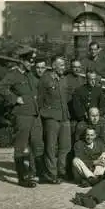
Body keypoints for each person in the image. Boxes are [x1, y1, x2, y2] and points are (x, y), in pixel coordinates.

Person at [0, 47, 44, 188]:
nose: (31, 64)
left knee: (36, 144)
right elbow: (0, 87)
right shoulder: (13, 74)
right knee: (21, 147)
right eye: (29, 61)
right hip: (22, 114)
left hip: (35, 114)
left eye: (32, 61)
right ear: (21, 61)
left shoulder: (30, 75)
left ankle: (35, 173)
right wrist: (14, 98)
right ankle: (22, 178)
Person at [38, 55, 72, 184]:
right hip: (51, 117)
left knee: (65, 147)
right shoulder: (45, 79)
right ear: (53, 66)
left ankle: (61, 172)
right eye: (61, 65)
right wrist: (45, 114)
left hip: (64, 117)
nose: (64, 67)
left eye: (64, 65)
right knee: (51, 147)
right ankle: (51, 174)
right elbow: (39, 100)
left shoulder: (63, 79)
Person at [72, 69, 105, 137]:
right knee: (78, 128)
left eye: (94, 79)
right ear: (87, 79)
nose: (93, 81)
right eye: (91, 79)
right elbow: (76, 106)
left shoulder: (99, 91)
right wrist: (83, 114)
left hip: (96, 118)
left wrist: (98, 114)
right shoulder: (79, 90)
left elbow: (103, 106)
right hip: (83, 118)